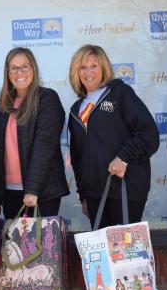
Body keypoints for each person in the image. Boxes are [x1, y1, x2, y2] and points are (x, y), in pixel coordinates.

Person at [68, 44, 159, 228]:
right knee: (103, 256)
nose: (88, 72)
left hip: (126, 191)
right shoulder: (75, 111)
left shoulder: (120, 93)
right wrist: (83, 194)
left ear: (104, 68)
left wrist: (123, 158)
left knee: (125, 254)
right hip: (94, 195)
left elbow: (148, 134)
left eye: (94, 65)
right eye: (82, 67)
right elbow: (78, 159)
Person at [0, 47, 69, 219]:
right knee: (14, 246)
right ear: (7, 72)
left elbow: (44, 146)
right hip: (10, 192)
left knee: (41, 245)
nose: (20, 72)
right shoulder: (1, 104)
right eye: (14, 68)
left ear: (33, 68)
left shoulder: (47, 99)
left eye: (25, 66)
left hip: (41, 192)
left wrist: (32, 189)